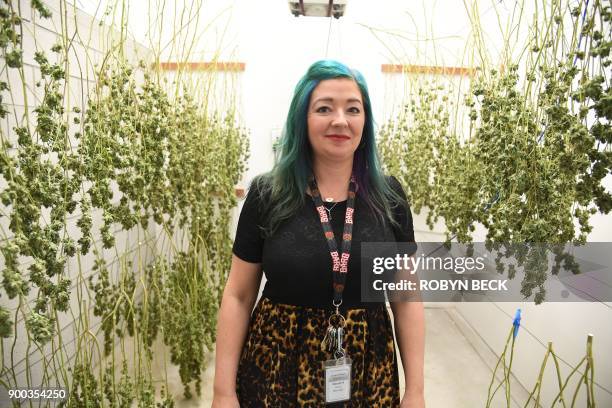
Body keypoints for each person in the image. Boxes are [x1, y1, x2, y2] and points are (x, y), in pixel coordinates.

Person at [212, 60, 425, 407]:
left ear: (365, 121)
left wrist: (415, 390)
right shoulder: (268, 194)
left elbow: (406, 299)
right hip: (274, 369)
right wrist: (223, 392)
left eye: (352, 109)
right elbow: (238, 295)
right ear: (303, 118)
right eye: (324, 108)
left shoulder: (388, 197)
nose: (340, 120)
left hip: (368, 370)